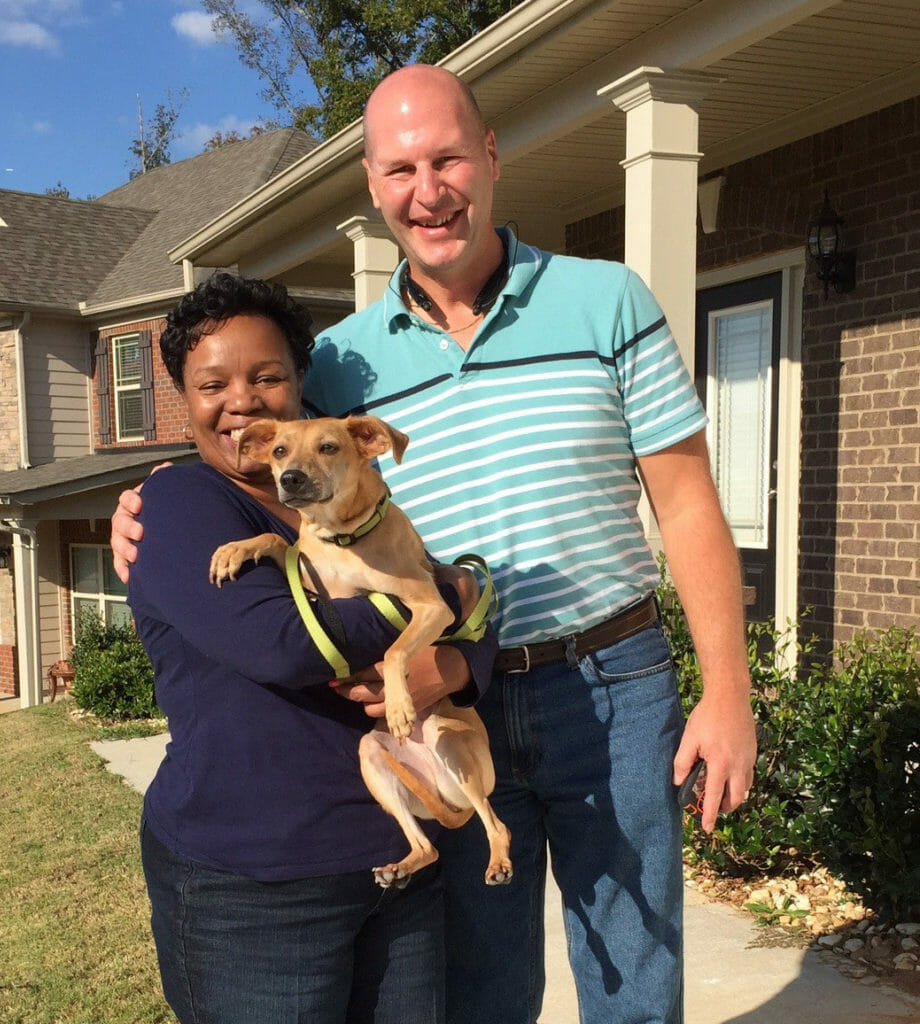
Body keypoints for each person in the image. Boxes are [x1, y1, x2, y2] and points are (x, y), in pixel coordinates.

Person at [114, 65, 757, 1024]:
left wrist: (728, 689)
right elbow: (273, 458)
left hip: (611, 691)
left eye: (448, 157)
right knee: (482, 993)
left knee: (634, 981)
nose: (430, 191)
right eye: (402, 168)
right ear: (374, 189)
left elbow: (690, 503)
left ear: (490, 157)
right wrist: (157, 497)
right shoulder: (343, 360)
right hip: (448, 693)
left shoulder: (607, 301)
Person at [125, 271, 496, 1024]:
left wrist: (455, 654)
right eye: (211, 383)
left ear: (299, 384)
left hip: (395, 856)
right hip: (255, 883)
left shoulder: (344, 501)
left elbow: (470, 635)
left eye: (267, 377)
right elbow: (284, 645)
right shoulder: (181, 503)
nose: (241, 400)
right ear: (184, 398)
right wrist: (443, 594)